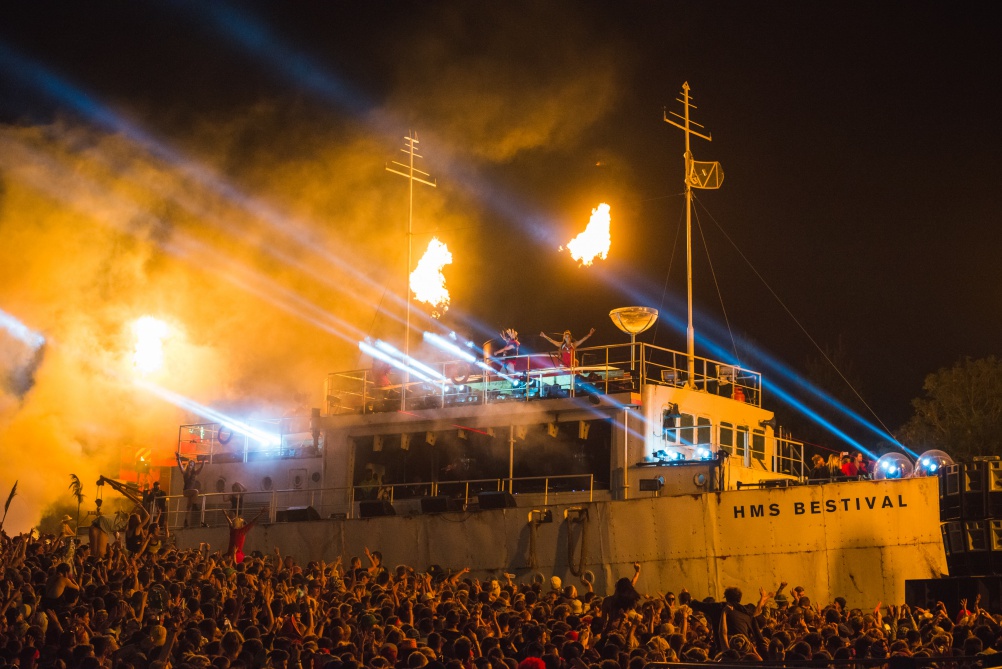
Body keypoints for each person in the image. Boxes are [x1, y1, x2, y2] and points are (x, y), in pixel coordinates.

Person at [176, 452, 205, 527]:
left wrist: (203, 461)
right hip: (186, 491)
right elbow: (180, 466)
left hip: (190, 493)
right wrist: (178, 458)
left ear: (193, 466)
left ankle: (185, 521)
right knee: (196, 491)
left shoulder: (194, 473)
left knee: (188, 507)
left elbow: (201, 469)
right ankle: (194, 505)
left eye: (192, 464)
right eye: (190, 464)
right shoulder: (185, 472)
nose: (190, 465)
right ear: (188, 465)